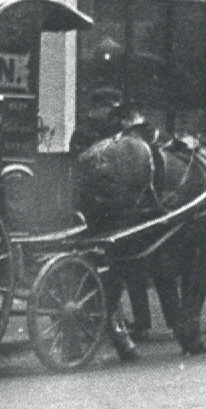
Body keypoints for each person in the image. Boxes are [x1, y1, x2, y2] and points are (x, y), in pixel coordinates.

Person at [71, 86, 155, 354]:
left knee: (120, 270)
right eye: (112, 107)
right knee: (117, 269)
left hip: (93, 206)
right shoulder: (99, 135)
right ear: (101, 108)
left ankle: (123, 327)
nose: (114, 114)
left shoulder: (88, 132)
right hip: (103, 212)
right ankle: (118, 333)